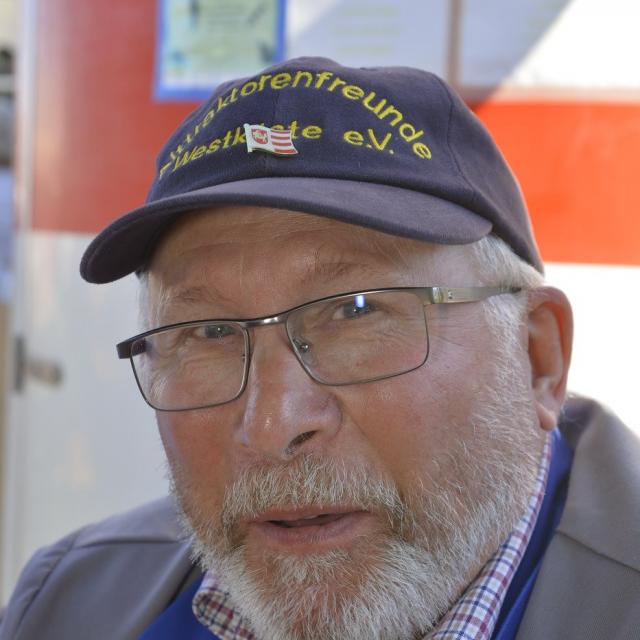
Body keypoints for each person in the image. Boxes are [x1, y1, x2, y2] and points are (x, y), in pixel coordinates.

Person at [1, 57, 638, 640]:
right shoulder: (64, 608)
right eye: (209, 332)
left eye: (357, 311)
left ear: (538, 358)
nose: (273, 425)